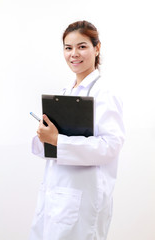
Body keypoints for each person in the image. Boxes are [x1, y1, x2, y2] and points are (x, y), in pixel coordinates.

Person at [29, 20, 125, 240]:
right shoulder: (66, 92)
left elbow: (110, 146)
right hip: (56, 194)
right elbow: (51, 147)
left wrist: (58, 140)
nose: (74, 54)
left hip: (82, 200)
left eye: (82, 46)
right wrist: (45, 137)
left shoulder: (105, 94)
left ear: (97, 48)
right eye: (68, 48)